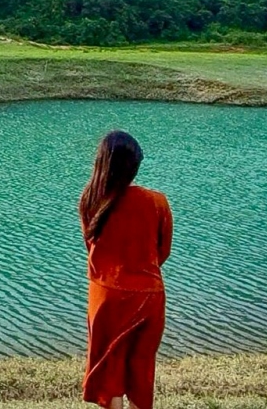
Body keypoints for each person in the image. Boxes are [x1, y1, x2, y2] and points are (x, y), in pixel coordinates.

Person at [80, 131, 172, 409]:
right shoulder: (157, 202)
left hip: (105, 296)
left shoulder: (90, 201)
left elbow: (92, 248)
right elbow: (162, 252)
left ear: (101, 163)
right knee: (141, 368)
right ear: (135, 167)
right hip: (148, 295)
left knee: (109, 370)